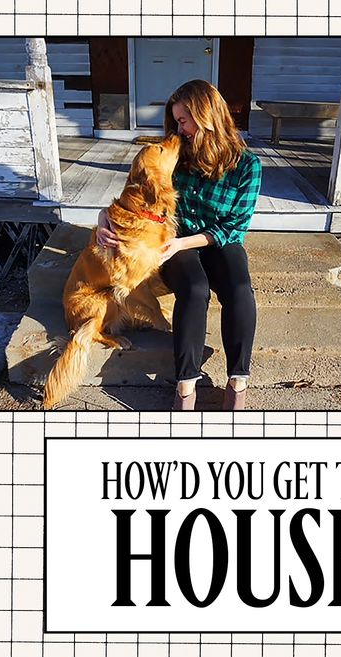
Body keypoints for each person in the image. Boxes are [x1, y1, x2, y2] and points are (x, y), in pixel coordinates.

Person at [97, 79, 263, 410]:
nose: (179, 129)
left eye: (183, 121)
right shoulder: (175, 158)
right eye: (176, 121)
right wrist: (104, 215)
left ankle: (237, 382)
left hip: (217, 240)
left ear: (207, 115)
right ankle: (186, 385)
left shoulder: (247, 166)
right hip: (173, 240)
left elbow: (235, 226)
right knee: (195, 289)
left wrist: (185, 243)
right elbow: (136, 191)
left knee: (239, 286)